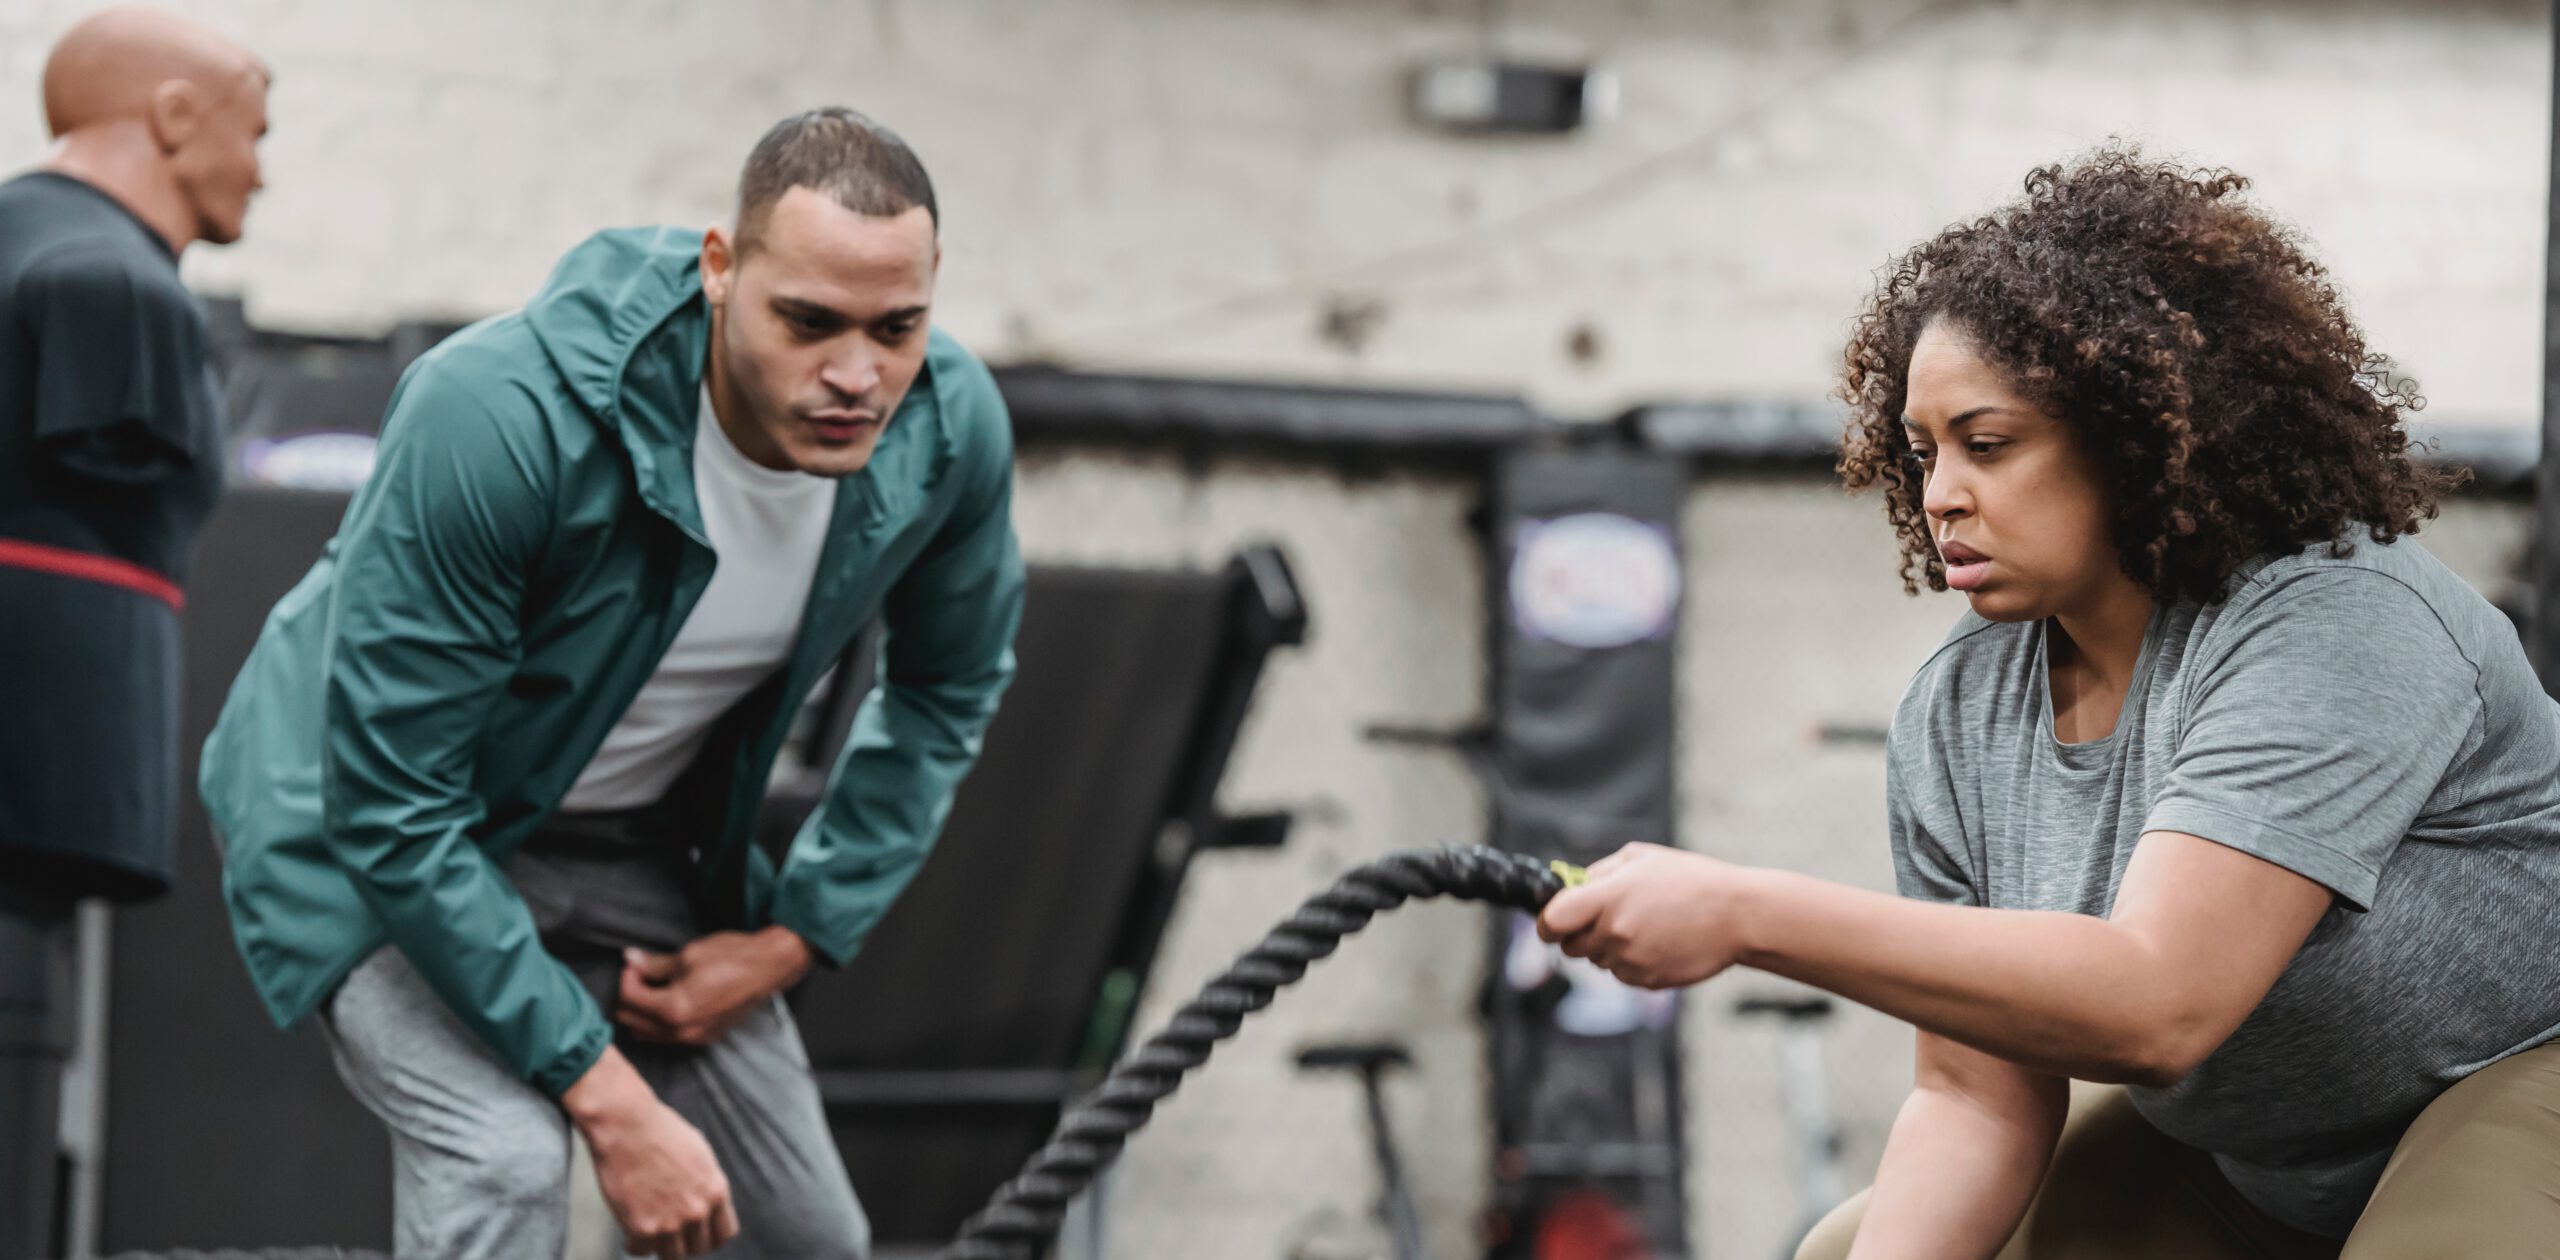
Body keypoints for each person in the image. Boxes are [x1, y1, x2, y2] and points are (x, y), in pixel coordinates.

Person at [1537, 148, 2560, 1257]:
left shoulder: (2334, 622)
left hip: (2518, 1075)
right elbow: (1976, 1097)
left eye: (1988, 445)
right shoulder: (1962, 709)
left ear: (2134, 442)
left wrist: (1745, 914)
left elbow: (2157, 1004)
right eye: (1921, 453)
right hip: (2262, 1157)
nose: (1938, 496)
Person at [199, 107, 1023, 1260]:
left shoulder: (947, 430)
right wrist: (606, 1093)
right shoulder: (499, 414)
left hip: (633, 851)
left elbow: (946, 689)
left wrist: (796, 935)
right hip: (375, 830)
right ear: (720, 270)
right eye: (809, 321)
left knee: (805, 1236)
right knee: (507, 1158)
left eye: (898, 327)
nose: (856, 375)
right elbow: (394, 803)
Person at [0, 8, 267, 1253]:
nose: (260, 169)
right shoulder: (101, 281)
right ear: (171, 117)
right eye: (251, 132)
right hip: (28, 811)